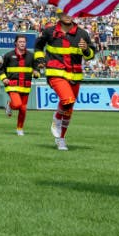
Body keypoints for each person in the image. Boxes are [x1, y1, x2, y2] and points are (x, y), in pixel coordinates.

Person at [34, 8, 96, 151]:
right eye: (64, 13)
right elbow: (38, 46)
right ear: (59, 14)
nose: (68, 16)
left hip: (75, 76)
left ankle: (61, 139)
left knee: (69, 109)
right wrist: (40, 60)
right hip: (55, 72)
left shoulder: (82, 34)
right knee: (67, 100)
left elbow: (91, 56)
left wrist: (86, 49)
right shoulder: (49, 31)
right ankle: (56, 119)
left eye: (70, 13)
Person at [0, 34, 34, 136]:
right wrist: (4, 78)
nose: (22, 43)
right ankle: (10, 104)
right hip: (12, 85)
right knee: (17, 104)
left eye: (24, 42)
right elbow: (0, 69)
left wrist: (36, 73)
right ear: (16, 43)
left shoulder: (31, 56)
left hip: (25, 87)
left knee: (23, 109)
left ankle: (19, 128)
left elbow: (36, 70)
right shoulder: (8, 55)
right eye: (20, 42)